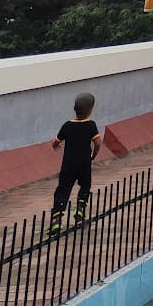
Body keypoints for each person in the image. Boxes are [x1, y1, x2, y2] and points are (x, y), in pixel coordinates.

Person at [49, 91, 100, 233]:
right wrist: (93, 156)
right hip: (84, 163)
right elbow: (97, 143)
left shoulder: (67, 126)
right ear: (90, 110)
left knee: (63, 189)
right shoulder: (91, 125)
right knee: (85, 185)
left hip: (68, 164)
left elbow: (56, 141)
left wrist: (54, 145)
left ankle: (56, 220)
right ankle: (80, 211)